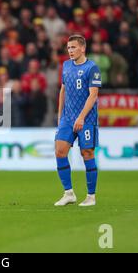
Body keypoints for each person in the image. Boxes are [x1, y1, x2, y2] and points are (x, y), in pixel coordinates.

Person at [54, 35, 102, 207]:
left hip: (86, 119)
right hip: (68, 118)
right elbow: (63, 91)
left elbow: (93, 95)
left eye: (73, 47)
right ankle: (69, 193)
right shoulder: (66, 66)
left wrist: (81, 117)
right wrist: (60, 116)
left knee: (87, 154)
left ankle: (91, 197)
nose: (70, 51)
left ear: (83, 48)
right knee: (60, 151)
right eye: (68, 48)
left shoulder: (92, 68)